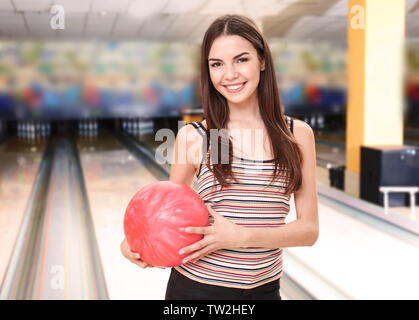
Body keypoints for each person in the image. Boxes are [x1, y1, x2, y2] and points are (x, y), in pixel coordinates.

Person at [121, 14, 319, 300]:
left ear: (262, 61)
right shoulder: (194, 137)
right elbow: (164, 216)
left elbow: (309, 230)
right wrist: (131, 245)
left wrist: (243, 237)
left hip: (264, 291)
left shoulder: (297, 134)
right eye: (217, 64)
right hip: (196, 290)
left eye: (241, 60)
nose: (229, 75)